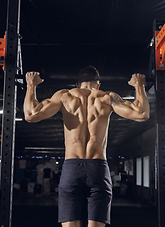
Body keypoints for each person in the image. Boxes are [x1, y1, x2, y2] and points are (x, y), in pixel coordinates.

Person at [24, 66, 150, 227]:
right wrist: (139, 86)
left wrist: (31, 85)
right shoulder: (107, 97)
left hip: (72, 167)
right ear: (98, 85)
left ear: (77, 84)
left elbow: (30, 115)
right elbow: (142, 114)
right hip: (98, 167)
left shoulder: (64, 96)